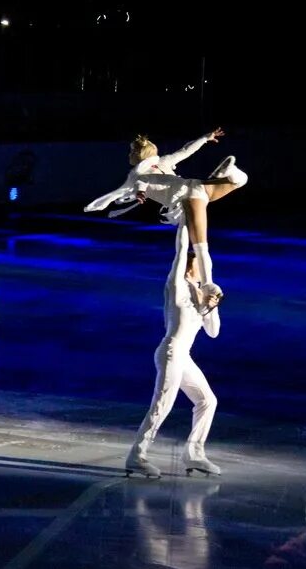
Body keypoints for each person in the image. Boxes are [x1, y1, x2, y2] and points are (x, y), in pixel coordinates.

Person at [85, 128, 247, 312]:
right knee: (240, 180)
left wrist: (140, 193)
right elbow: (186, 150)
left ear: (139, 156)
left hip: (189, 197)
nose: (129, 155)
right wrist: (205, 138)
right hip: (197, 187)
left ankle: (208, 284)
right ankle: (227, 173)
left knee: (200, 245)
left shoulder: (137, 175)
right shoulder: (163, 161)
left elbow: (141, 183)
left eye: (131, 152)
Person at [126, 223, 223, 478]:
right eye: (198, 264)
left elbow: (214, 332)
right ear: (192, 266)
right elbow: (181, 251)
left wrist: (211, 306)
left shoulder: (201, 297)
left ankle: (194, 453)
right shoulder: (178, 285)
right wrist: (185, 222)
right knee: (161, 406)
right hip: (170, 350)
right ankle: (137, 455)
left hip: (184, 357)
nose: (203, 269)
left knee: (207, 400)